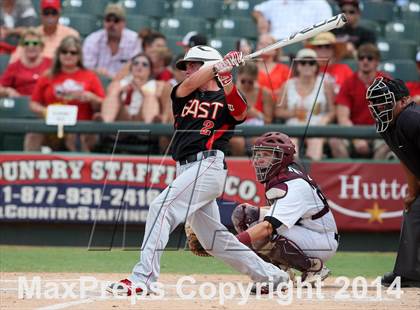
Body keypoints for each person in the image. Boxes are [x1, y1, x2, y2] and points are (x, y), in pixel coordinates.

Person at [107, 45, 289, 296]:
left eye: (194, 64)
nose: (188, 69)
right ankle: (271, 276)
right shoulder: (182, 93)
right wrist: (219, 65)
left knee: (161, 207)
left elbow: (240, 112)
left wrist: (225, 77)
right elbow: (191, 82)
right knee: (212, 240)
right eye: (187, 65)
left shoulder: (226, 96)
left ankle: (143, 278)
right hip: (185, 169)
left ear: (208, 66)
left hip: (208, 165)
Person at [232, 132, 338, 284]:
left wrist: (228, 243)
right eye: (258, 154)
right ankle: (279, 270)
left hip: (321, 239)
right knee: (244, 214)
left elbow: (267, 227)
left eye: (267, 155)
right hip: (304, 230)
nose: (258, 160)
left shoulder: (294, 185)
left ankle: (314, 268)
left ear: (283, 158)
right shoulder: (281, 174)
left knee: (262, 230)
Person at [366, 77, 420, 288]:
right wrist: (412, 192)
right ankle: (410, 272)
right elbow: (407, 159)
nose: (379, 108)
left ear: (404, 100)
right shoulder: (387, 125)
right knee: (413, 210)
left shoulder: (411, 118)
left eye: (384, 101)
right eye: (375, 103)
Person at [26, 35, 104, 152]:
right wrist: (44, 111)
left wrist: (91, 98)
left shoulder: (90, 76)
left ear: (79, 56)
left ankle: (85, 168)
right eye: (64, 52)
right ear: (59, 54)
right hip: (53, 124)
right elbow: (33, 103)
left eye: (73, 52)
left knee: (73, 137)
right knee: (33, 134)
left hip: (81, 127)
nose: (68, 55)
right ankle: (29, 166)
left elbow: (103, 103)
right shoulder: (47, 76)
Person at [329, 43, 390, 159]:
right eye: (361, 58)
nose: (365, 61)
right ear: (358, 61)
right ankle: (346, 176)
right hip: (353, 131)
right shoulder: (349, 83)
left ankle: (376, 175)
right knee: (335, 141)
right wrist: (356, 138)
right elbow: (343, 118)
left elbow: (391, 114)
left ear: (377, 61)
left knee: (390, 142)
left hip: (379, 131)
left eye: (370, 58)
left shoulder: (386, 81)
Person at [276, 48, 335, 161]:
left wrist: (325, 119)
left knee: (316, 140)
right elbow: (278, 111)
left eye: (311, 63)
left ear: (316, 66)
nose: (307, 66)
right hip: (293, 126)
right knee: (290, 144)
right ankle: (295, 173)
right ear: (297, 66)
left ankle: (312, 173)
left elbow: (332, 111)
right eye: (303, 63)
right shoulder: (287, 85)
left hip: (317, 125)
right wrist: (293, 113)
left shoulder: (325, 84)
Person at [101, 52, 171, 124]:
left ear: (150, 70)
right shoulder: (119, 84)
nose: (139, 66)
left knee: (150, 96)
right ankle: (105, 123)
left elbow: (167, 107)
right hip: (123, 116)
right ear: (130, 68)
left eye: (144, 64)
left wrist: (142, 90)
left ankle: (151, 126)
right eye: (136, 63)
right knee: (113, 94)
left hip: (141, 117)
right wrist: (120, 93)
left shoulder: (157, 85)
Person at [9, 0, 79, 63]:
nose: (50, 16)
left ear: (59, 14)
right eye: (46, 13)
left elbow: (77, 61)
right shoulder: (32, 34)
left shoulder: (70, 34)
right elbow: (15, 59)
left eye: (54, 13)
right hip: (35, 73)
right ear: (41, 14)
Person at [82, 3, 141, 79]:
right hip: (99, 81)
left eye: (116, 20)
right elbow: (86, 68)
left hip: (126, 83)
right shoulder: (93, 39)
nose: (111, 24)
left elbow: (139, 67)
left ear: (124, 23)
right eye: (108, 20)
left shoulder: (134, 40)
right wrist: (96, 71)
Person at [230, 62, 274, 156]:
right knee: (238, 142)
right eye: (243, 81)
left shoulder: (264, 93)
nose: (246, 85)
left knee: (256, 140)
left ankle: (257, 167)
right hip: (236, 127)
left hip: (256, 128)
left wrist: (257, 114)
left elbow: (269, 120)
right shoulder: (231, 91)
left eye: (250, 82)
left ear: (255, 79)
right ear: (238, 77)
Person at [0, 28, 51, 97]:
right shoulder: (15, 66)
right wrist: (7, 91)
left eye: (35, 43)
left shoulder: (51, 64)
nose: (31, 46)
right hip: (22, 104)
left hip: (45, 103)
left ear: (41, 46)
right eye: (27, 43)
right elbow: (1, 87)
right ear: (22, 46)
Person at [252, 0, 332, 40]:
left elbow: (325, 30)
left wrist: (308, 36)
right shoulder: (277, 1)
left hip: (303, 42)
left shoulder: (320, 4)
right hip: (275, 43)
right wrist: (261, 18)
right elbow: (257, 10)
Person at [256, 34, 290, 99]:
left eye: (268, 44)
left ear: (276, 50)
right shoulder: (251, 68)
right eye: (261, 44)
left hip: (277, 105)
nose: (264, 47)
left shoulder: (284, 70)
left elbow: (289, 91)